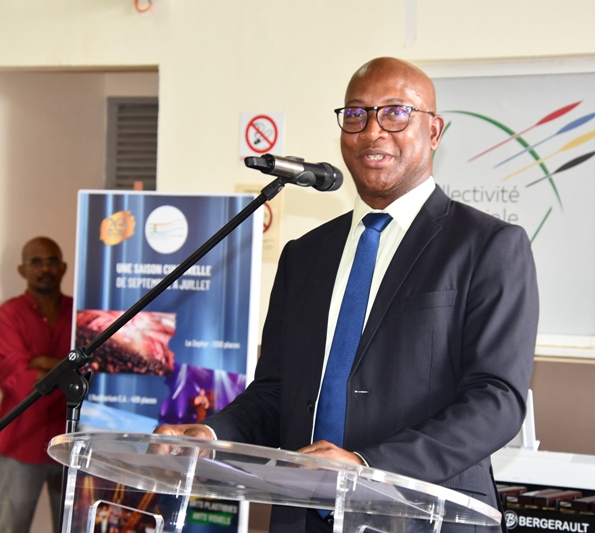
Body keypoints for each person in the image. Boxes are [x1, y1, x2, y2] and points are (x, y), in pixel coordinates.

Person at [155, 57, 539, 532]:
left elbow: (496, 400)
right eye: (356, 114)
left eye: (395, 113)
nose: (372, 131)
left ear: (434, 131)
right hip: (303, 516)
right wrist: (211, 433)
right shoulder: (304, 255)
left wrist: (366, 467)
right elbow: (277, 393)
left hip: (422, 516)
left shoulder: (487, 246)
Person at [0, 236, 73, 533]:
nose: (45, 268)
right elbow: (19, 379)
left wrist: (41, 361)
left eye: (52, 261)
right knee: (10, 526)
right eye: (37, 262)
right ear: (22, 270)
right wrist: (66, 365)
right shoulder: (8, 314)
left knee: (70, 527)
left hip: (69, 441)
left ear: (63, 267)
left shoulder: (78, 312)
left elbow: (89, 370)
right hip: (21, 442)